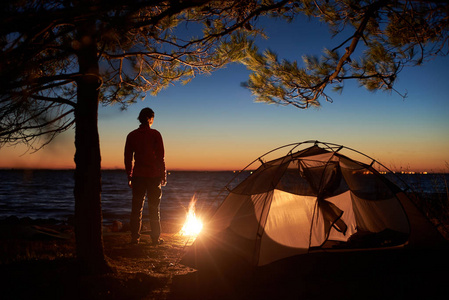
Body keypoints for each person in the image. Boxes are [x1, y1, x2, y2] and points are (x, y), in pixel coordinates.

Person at [124, 107, 166, 245]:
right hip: (153, 176)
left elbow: (128, 158)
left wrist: (129, 175)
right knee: (154, 209)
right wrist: (163, 174)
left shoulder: (132, 135)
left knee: (136, 208)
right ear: (150, 118)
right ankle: (155, 238)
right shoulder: (155, 134)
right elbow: (160, 157)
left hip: (138, 176)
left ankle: (135, 238)